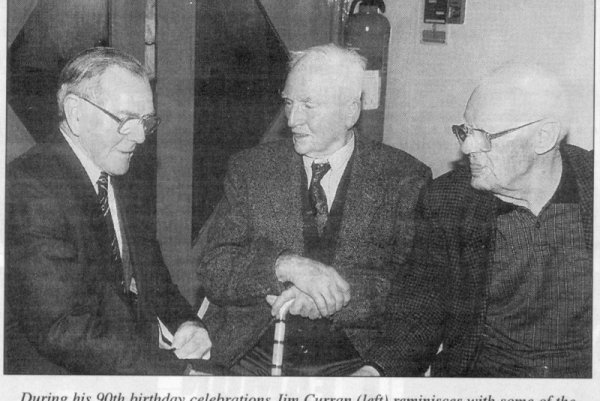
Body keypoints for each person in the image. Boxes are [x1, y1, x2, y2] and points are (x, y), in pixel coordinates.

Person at [196, 44, 431, 376]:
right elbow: (213, 267)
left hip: (353, 358)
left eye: (309, 105)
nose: (293, 120)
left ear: (351, 110)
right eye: (289, 103)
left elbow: (413, 291)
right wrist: (283, 266)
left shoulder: (403, 178)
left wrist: (333, 297)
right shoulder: (251, 169)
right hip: (252, 353)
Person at [362, 63, 592, 377]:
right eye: (466, 131)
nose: (467, 147)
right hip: (483, 389)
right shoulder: (448, 201)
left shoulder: (591, 189)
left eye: (485, 136)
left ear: (544, 136)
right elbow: (419, 313)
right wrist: (375, 372)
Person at [5, 47, 212, 375]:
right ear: (75, 113)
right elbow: (61, 328)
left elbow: (153, 279)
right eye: (127, 119)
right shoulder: (30, 187)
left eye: (146, 121)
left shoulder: (116, 171)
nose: (141, 136)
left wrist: (186, 323)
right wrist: (173, 372)